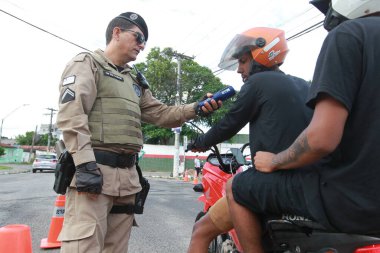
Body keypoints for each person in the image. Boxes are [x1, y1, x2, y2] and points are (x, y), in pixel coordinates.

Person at [55, 11, 221, 253]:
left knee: (116, 249)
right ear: (117, 33)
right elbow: (72, 115)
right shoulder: (88, 64)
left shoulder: (134, 79)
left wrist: (196, 108)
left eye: (144, 41)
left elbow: (161, 114)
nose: (142, 46)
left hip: (128, 179)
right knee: (83, 247)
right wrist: (84, 165)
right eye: (138, 37)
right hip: (94, 172)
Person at [225, 1, 380, 252]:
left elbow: (320, 140)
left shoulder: (349, 35)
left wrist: (275, 161)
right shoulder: (294, 83)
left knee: (236, 186)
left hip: (350, 202)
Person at [187, 27, 312, 253]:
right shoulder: (304, 85)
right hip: (307, 185)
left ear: (261, 57)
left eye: (243, 61)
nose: (239, 69)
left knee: (202, 229)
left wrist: (200, 142)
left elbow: (229, 124)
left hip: (270, 185)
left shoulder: (258, 83)